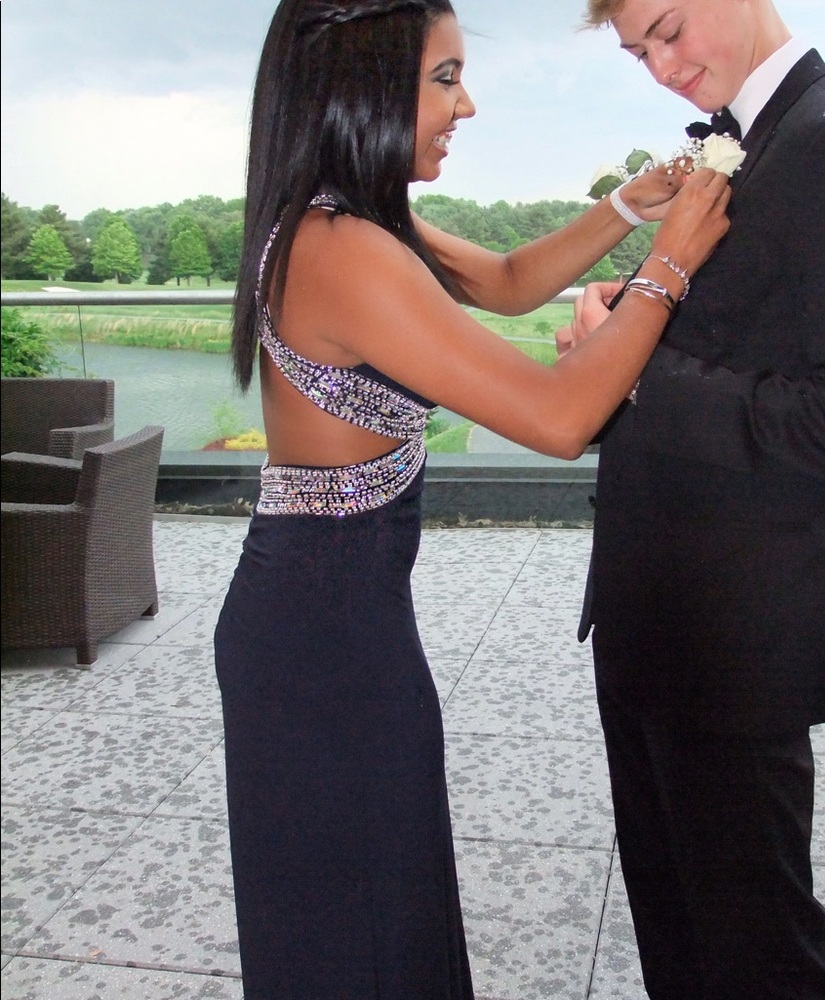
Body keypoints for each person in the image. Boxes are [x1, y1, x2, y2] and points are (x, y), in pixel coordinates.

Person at [213, 1, 731, 997]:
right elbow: (558, 416)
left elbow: (503, 280)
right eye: (444, 79)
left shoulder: (349, 220)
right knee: (361, 932)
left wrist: (630, 207)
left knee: (373, 916)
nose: (468, 105)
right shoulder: (342, 247)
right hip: (324, 644)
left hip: (329, 619)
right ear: (361, 85)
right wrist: (670, 263)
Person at [562, 1, 825, 998]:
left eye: (669, 28)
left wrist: (636, 374)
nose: (660, 67)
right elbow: (728, 328)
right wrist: (620, 322)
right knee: (680, 937)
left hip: (738, 635)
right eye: (638, 52)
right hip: (656, 610)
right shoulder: (748, 139)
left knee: (758, 957)